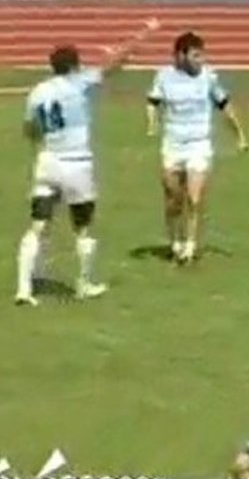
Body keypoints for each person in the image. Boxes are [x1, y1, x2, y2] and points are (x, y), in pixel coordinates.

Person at [15, 19, 159, 306]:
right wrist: (143, 35)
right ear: (74, 65)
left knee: (37, 226)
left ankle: (23, 288)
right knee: (82, 228)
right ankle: (83, 284)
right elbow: (113, 64)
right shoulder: (79, 84)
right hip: (76, 164)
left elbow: (29, 129)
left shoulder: (38, 91)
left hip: (48, 161)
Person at [146, 31, 249, 265]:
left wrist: (240, 135)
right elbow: (152, 102)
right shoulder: (164, 77)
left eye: (201, 55)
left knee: (194, 197)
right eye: (195, 55)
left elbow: (225, 105)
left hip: (198, 145)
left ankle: (190, 246)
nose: (200, 60)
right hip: (172, 145)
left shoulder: (208, 77)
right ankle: (175, 241)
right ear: (181, 56)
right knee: (174, 197)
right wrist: (152, 123)